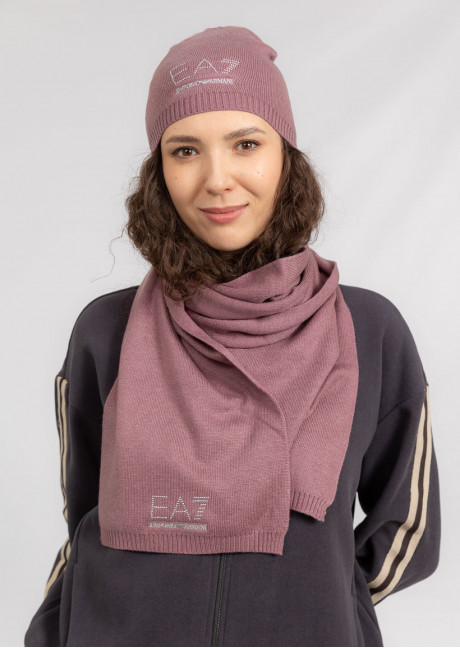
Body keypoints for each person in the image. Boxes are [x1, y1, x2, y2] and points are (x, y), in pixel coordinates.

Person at [24, 26, 441, 647]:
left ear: (286, 156)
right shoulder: (106, 331)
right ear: (160, 173)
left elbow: (408, 529)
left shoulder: (368, 331)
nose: (217, 179)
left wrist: (324, 602)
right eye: (185, 150)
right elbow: (86, 517)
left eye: (246, 143)